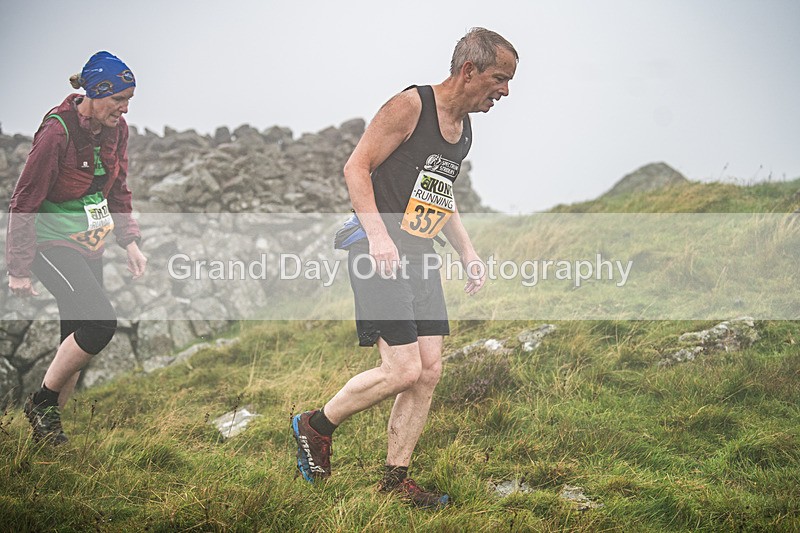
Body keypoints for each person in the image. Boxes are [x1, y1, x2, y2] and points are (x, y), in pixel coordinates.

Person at [293, 28, 518, 508]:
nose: (505, 92)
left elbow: (441, 194)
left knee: (429, 371)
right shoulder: (410, 106)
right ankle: (315, 425)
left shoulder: (464, 131)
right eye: (500, 79)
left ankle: (395, 484)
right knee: (402, 368)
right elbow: (356, 167)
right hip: (377, 249)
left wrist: (467, 252)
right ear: (468, 70)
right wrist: (377, 236)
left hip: (419, 254)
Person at [6, 51, 147, 444]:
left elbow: (118, 188)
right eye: (118, 99)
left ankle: (47, 436)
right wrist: (17, 268)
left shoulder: (118, 130)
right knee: (101, 323)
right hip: (49, 244)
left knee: (74, 339)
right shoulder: (57, 132)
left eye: (129, 99)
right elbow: (24, 200)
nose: (124, 107)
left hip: (89, 242)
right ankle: (42, 401)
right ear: (96, 93)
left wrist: (129, 241)